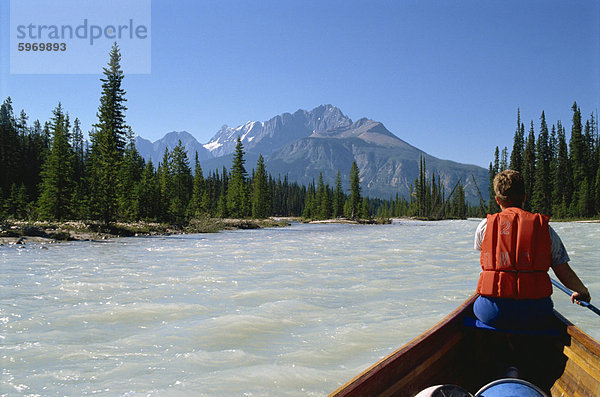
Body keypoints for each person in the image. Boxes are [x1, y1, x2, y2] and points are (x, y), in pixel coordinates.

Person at [473, 170, 591, 330]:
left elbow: (487, 258)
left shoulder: (484, 226)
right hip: (536, 314)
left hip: (493, 313)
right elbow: (563, 270)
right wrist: (582, 291)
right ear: (524, 197)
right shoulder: (545, 229)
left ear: (497, 200)